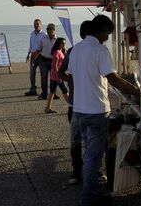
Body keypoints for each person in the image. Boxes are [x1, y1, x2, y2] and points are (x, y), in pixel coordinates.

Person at [68, 15, 140, 206]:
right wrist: (137, 92)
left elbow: (72, 77)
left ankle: (91, 191)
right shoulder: (100, 50)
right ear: (100, 31)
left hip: (79, 110)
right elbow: (113, 79)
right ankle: (89, 198)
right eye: (107, 33)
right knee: (94, 156)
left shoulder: (75, 49)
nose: (107, 38)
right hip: (96, 110)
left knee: (89, 153)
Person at [59, 20, 92, 185]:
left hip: (90, 104)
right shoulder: (72, 51)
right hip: (75, 104)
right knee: (76, 140)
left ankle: (91, 170)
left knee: (89, 140)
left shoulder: (96, 51)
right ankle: (77, 170)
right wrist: (73, 83)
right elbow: (60, 72)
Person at [45, 38, 69, 114]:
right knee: (64, 91)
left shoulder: (61, 52)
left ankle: (48, 108)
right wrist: (58, 77)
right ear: (58, 43)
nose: (64, 44)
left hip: (57, 75)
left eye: (64, 43)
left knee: (52, 92)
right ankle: (73, 108)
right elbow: (54, 66)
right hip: (56, 76)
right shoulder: (56, 53)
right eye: (62, 43)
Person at [35, 23, 57, 100]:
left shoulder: (58, 40)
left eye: (50, 29)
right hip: (43, 60)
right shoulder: (43, 39)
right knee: (43, 77)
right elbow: (38, 49)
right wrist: (33, 58)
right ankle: (44, 93)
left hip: (54, 61)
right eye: (47, 29)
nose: (48, 31)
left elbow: (62, 50)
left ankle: (53, 93)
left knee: (53, 78)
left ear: (54, 30)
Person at [24, 19, 46, 96]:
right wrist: (28, 54)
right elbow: (31, 45)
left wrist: (38, 52)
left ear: (41, 25)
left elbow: (44, 47)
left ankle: (44, 91)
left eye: (37, 24)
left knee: (43, 74)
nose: (36, 25)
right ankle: (33, 90)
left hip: (41, 57)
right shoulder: (32, 34)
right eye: (35, 24)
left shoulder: (44, 35)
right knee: (32, 74)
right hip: (33, 56)